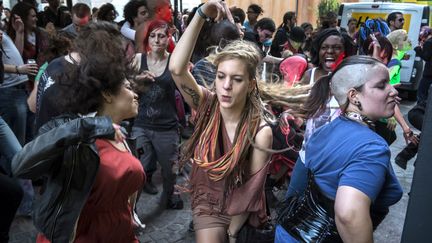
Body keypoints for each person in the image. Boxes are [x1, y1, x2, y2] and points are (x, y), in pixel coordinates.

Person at [12, 22, 145, 243]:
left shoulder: (122, 133)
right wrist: (83, 127)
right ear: (108, 94)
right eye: (128, 86)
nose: (135, 93)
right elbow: (20, 165)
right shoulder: (75, 132)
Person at [169, 0, 274, 242]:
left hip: (242, 206)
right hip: (208, 198)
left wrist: (233, 231)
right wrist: (201, 14)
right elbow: (176, 69)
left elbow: (251, 188)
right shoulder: (206, 105)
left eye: (236, 79)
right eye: (220, 76)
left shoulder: (260, 131)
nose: (226, 86)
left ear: (250, 84)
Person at [276, 55, 403, 242]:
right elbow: (348, 215)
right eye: (382, 85)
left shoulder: (324, 130)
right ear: (354, 96)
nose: (393, 90)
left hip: (286, 233)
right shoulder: (372, 148)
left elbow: (300, 183)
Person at [131, 19, 183, 209]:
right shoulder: (138, 60)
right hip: (141, 125)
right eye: (152, 35)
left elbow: (186, 87)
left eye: (161, 36)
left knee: (170, 171)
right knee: (139, 169)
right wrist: (137, 80)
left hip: (167, 127)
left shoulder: (174, 61)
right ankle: (132, 210)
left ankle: (169, 197)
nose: (156, 40)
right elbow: (124, 87)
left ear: (168, 37)